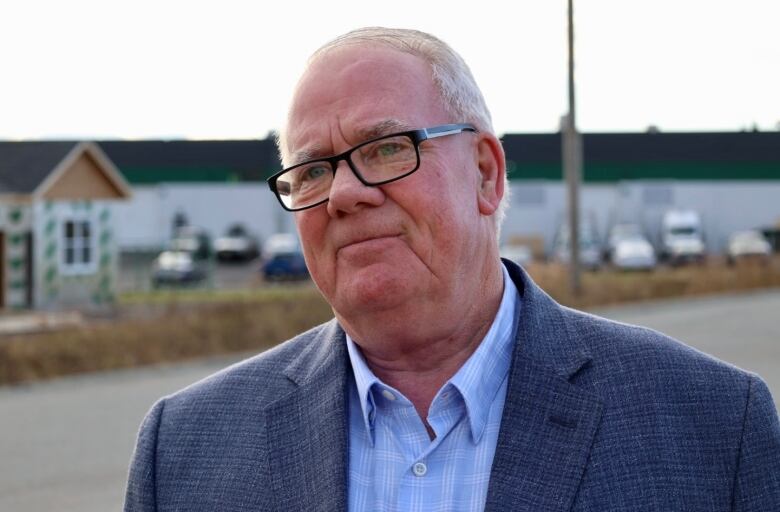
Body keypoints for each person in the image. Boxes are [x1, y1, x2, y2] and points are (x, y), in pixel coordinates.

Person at [125, 27, 780, 511]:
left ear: (486, 175)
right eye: (313, 169)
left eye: (385, 149)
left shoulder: (717, 428)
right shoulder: (183, 451)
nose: (347, 192)